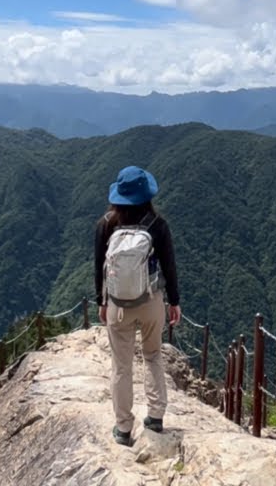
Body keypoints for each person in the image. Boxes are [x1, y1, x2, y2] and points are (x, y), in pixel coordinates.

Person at [94, 165, 181, 447]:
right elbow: (169, 266)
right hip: (151, 301)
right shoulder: (158, 225)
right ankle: (155, 416)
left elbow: (99, 267)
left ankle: (122, 428)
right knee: (153, 356)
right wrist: (174, 302)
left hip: (118, 305)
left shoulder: (106, 224)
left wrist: (102, 301)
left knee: (121, 365)